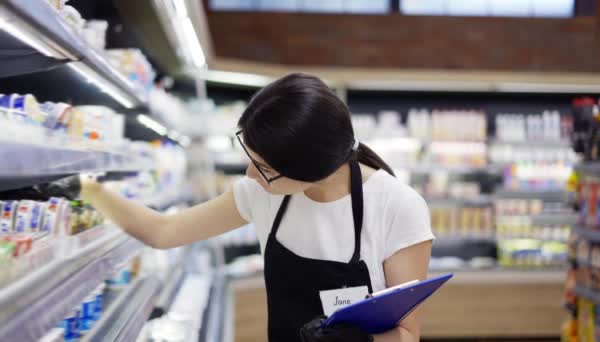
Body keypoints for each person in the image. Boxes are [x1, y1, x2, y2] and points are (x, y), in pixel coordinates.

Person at [72, 73, 434, 341]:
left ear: (312, 170)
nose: (250, 173)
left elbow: (407, 334)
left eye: (265, 168)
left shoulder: (397, 207)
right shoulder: (261, 194)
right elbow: (163, 232)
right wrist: (86, 188)